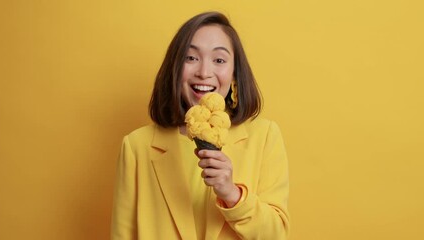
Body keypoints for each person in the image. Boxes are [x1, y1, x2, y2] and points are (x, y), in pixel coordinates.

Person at [111, 11, 290, 239]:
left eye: (219, 60)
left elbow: (276, 235)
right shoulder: (137, 146)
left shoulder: (265, 137)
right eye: (191, 58)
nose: (204, 73)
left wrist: (232, 194)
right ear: (175, 69)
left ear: (235, 73)